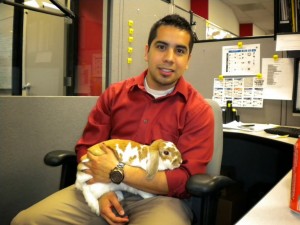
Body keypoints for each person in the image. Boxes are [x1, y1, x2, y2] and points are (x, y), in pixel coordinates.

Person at [11, 14, 214, 225]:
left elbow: (184, 179)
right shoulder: (115, 94)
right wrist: (100, 192)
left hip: (159, 200)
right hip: (103, 187)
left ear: (188, 60)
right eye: (161, 47)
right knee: (25, 221)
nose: (169, 58)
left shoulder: (197, 110)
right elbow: (87, 147)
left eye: (179, 51)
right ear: (147, 51)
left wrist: (118, 172)